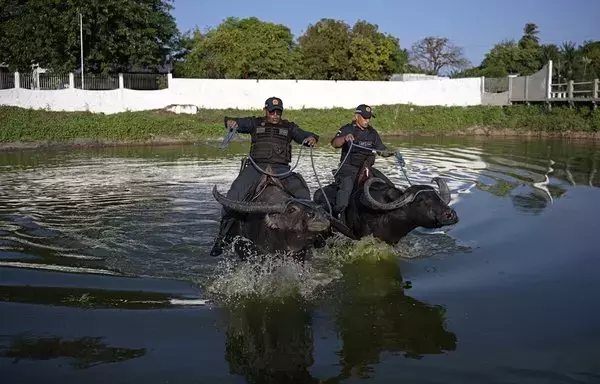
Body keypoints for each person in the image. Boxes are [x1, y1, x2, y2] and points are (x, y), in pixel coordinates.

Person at [210, 96, 319, 256]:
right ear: (265, 111)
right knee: (233, 197)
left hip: (282, 170)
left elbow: (305, 134)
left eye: (278, 112)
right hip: (256, 168)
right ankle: (223, 236)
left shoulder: (289, 127)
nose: (275, 115)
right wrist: (231, 123)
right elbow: (232, 121)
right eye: (272, 111)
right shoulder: (255, 123)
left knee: (304, 197)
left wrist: (311, 138)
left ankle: (308, 238)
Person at [330, 104, 402, 220]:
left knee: (390, 187)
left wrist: (393, 152)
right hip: (349, 168)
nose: (367, 120)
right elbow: (334, 143)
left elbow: (381, 150)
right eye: (364, 117)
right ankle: (335, 217)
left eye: (369, 118)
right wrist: (344, 138)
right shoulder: (347, 129)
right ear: (356, 116)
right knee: (343, 199)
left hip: (366, 168)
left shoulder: (372, 133)